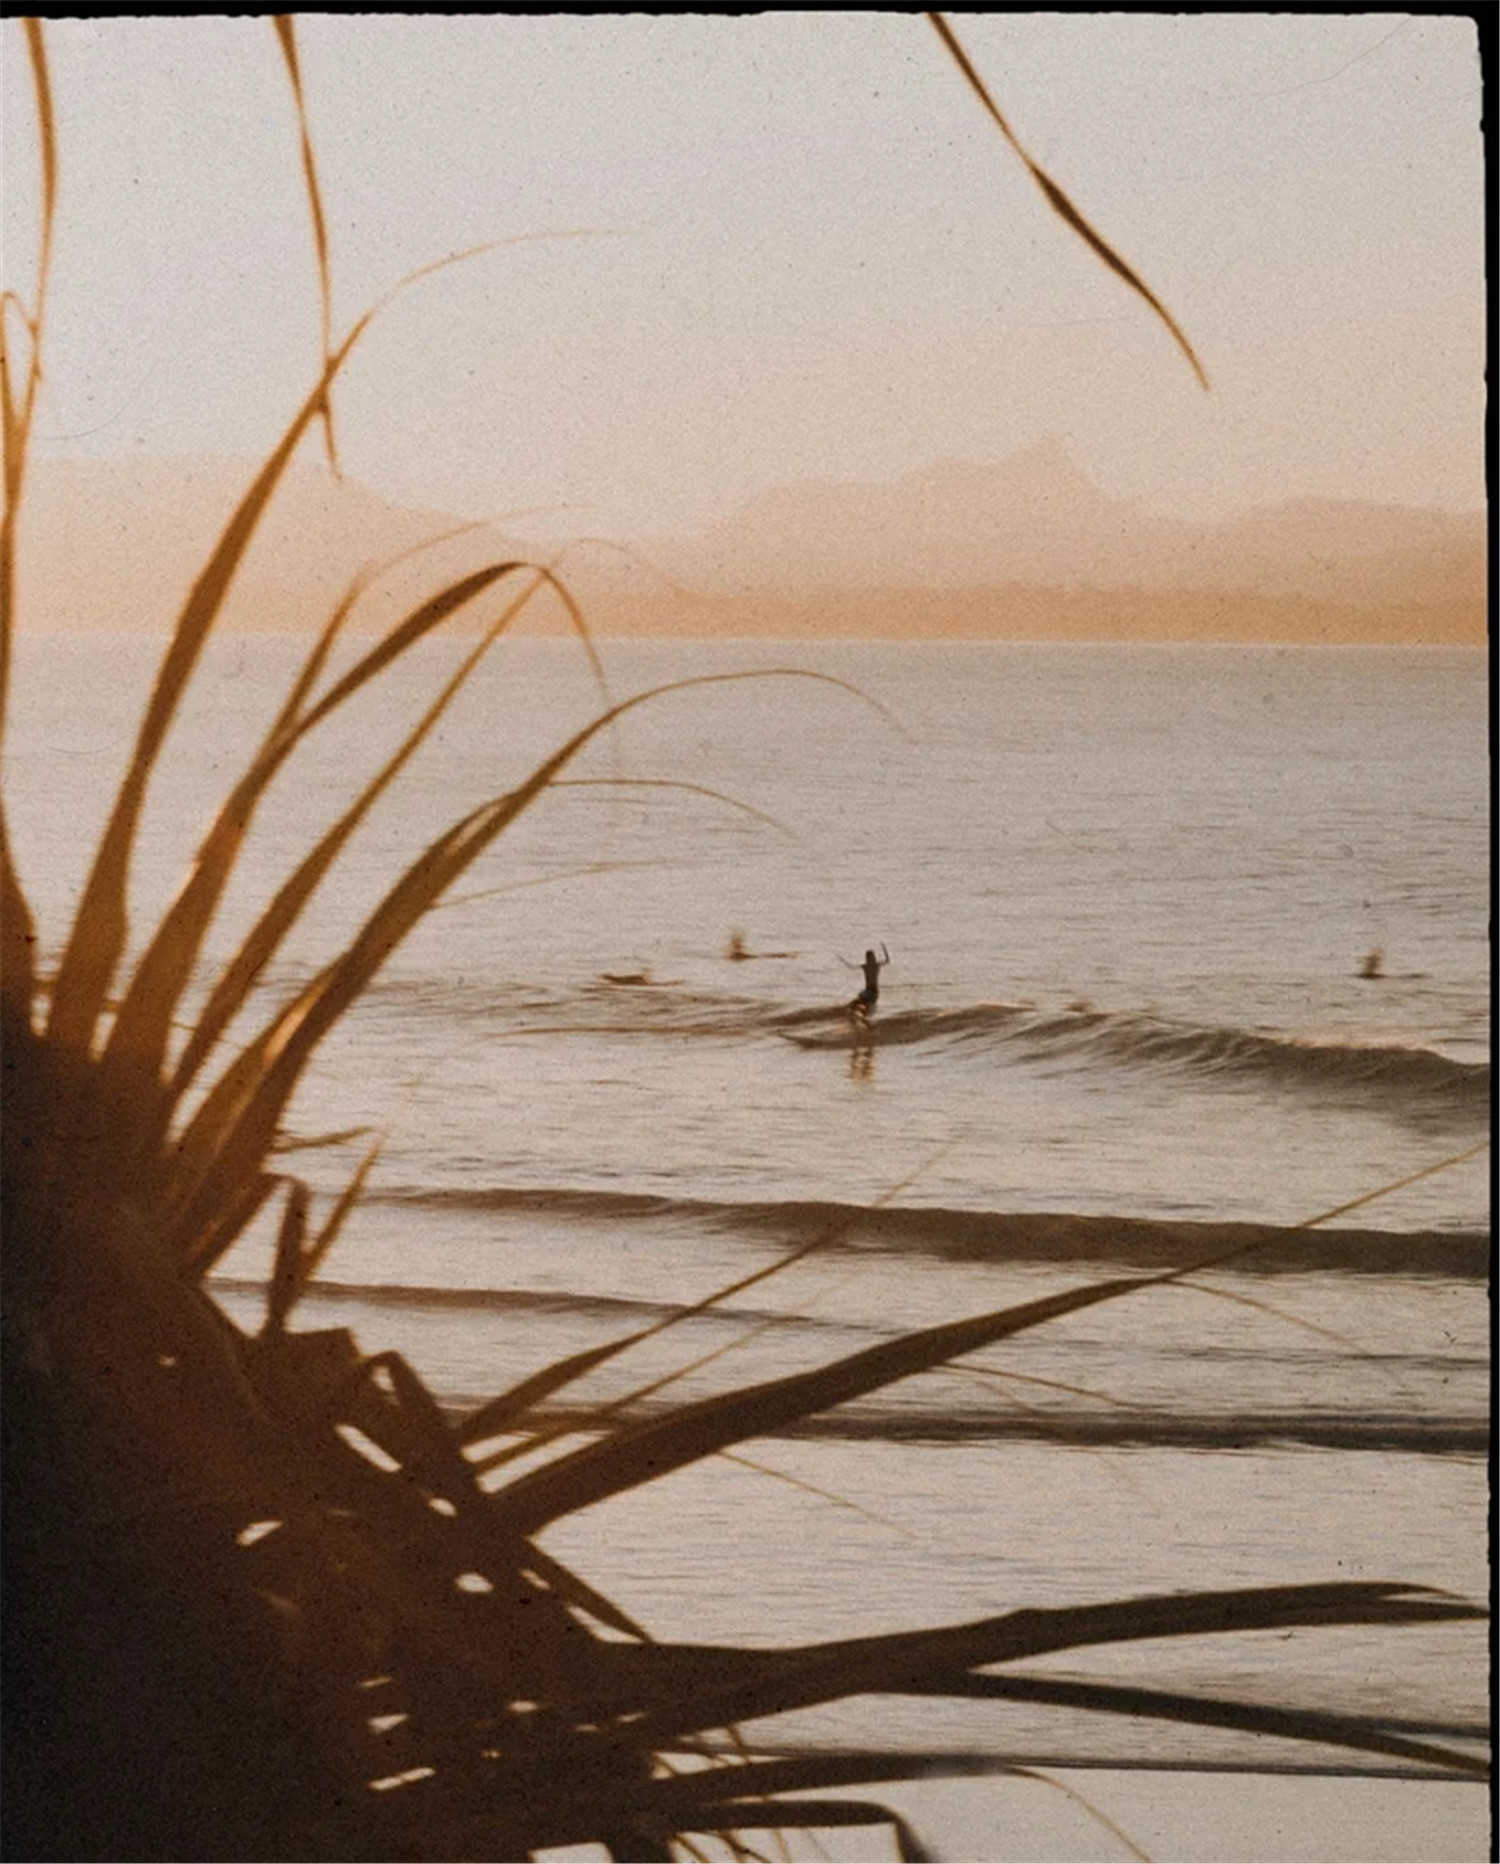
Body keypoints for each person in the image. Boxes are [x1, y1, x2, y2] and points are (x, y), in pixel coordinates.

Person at [842, 943, 889, 1023]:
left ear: (874, 958)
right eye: (868, 958)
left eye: (871, 958)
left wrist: (884, 949)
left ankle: (866, 1020)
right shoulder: (865, 966)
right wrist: (844, 961)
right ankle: (855, 1018)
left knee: (868, 1009)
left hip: (873, 991)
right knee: (853, 1004)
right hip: (867, 990)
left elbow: (887, 961)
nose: (870, 960)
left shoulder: (876, 966)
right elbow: (852, 966)